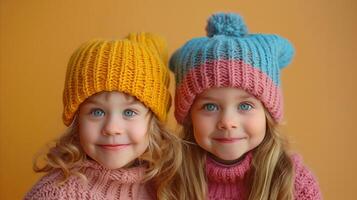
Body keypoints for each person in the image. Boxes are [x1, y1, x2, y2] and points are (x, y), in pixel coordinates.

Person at [169, 13, 322, 200]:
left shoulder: (293, 182)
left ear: (268, 113)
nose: (227, 122)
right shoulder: (170, 179)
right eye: (210, 107)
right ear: (189, 117)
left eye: (245, 106)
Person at [25, 32, 182, 200]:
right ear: (77, 120)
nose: (112, 129)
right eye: (97, 112)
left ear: (153, 122)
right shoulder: (56, 194)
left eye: (129, 112)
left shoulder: (166, 185)